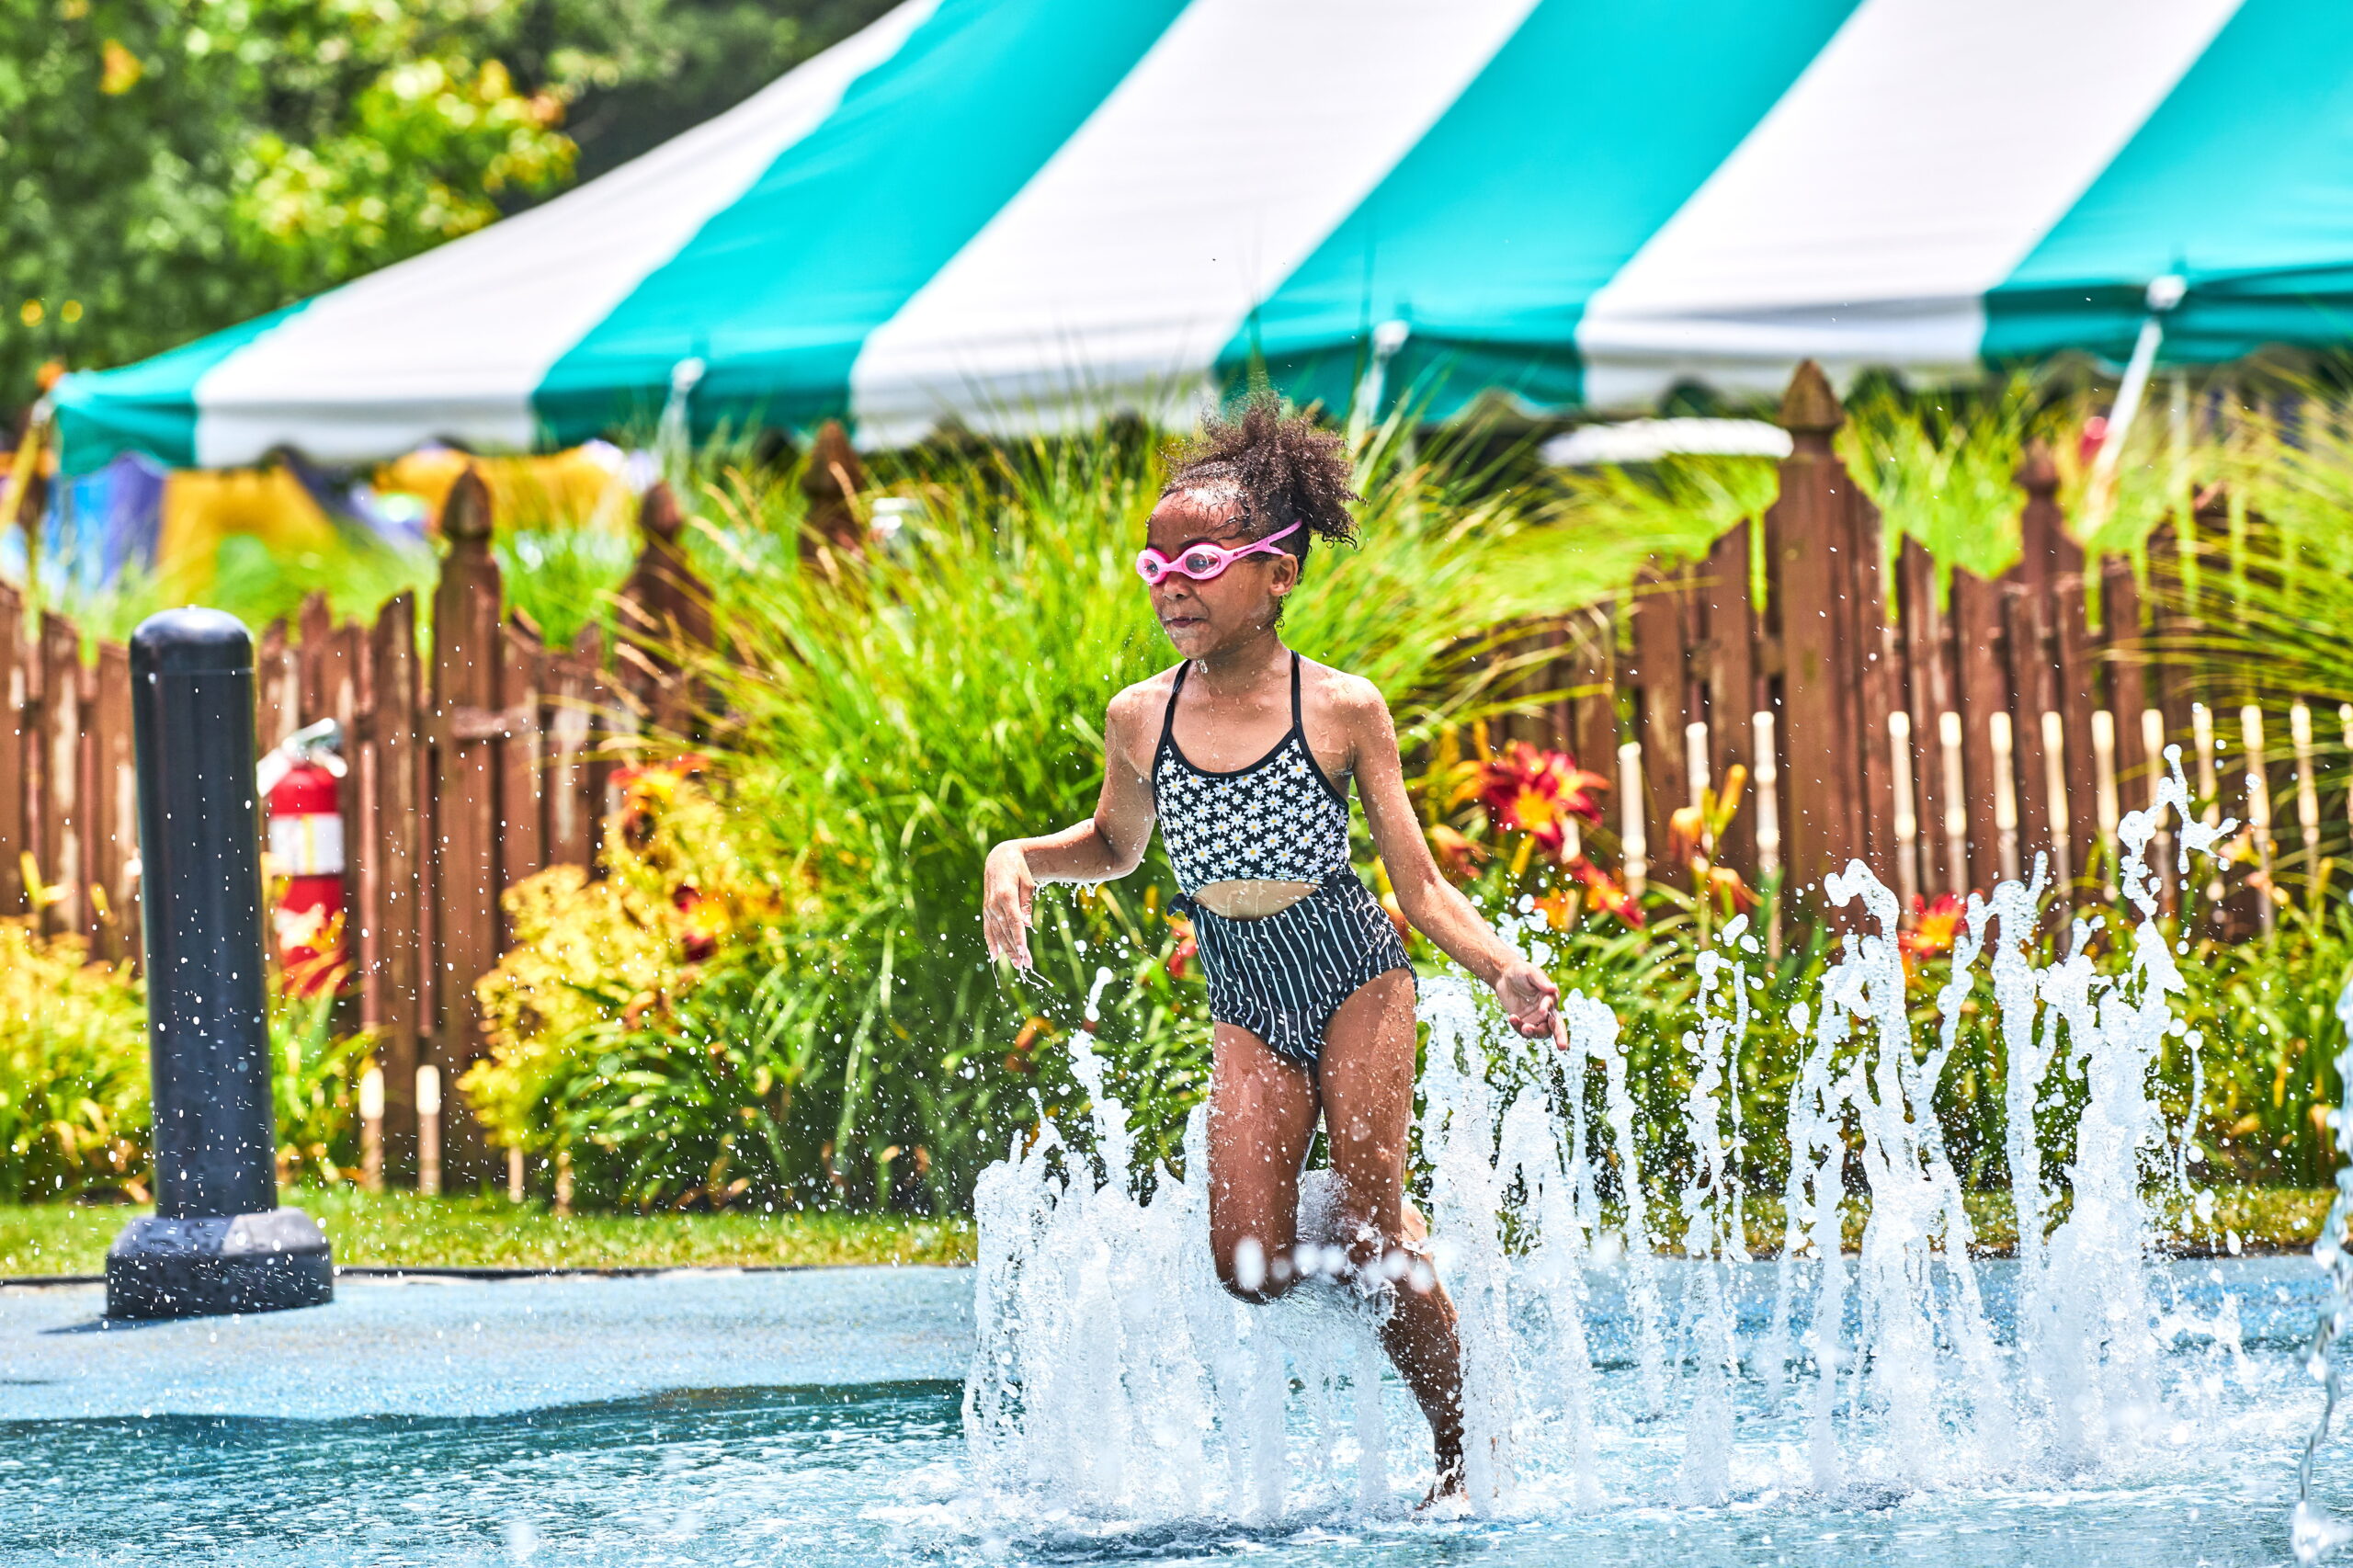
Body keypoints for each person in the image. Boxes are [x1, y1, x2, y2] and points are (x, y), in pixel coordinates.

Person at [981, 395, 1564, 1500]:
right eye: (1155, 565)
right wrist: (1019, 853)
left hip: (1351, 971)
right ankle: (1375, 1223)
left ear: (1276, 572)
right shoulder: (1138, 716)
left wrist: (1504, 969)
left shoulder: (1341, 708)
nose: (1172, 584)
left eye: (1199, 560)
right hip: (1246, 994)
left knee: (1370, 1239)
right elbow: (1112, 843)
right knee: (1247, 1266)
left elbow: (1420, 885)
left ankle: (1461, 1450)